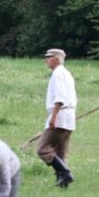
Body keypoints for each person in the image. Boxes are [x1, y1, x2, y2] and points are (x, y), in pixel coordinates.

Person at [36, 48, 76, 188]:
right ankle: (63, 184)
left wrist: (54, 117)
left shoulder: (57, 74)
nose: (45, 60)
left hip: (60, 116)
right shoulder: (67, 73)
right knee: (60, 151)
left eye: (48, 57)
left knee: (43, 149)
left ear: (57, 59)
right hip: (69, 118)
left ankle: (65, 173)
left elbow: (60, 98)